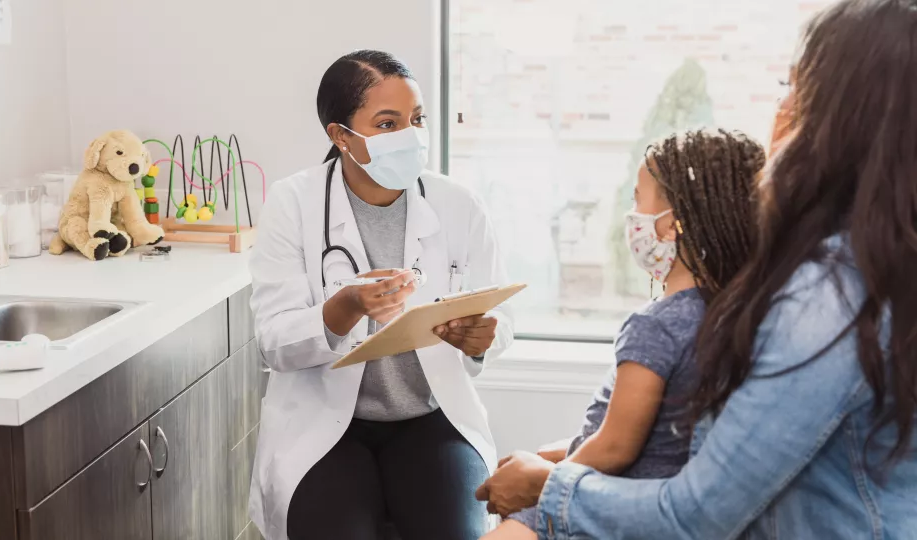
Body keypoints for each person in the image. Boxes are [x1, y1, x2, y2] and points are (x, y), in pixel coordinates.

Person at [477, 0, 917, 537]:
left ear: (837, 119)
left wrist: (547, 488)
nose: (778, 109)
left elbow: (696, 514)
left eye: (791, 87)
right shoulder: (861, 270)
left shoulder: (827, 302)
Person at [248, 50, 514, 540]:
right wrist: (342, 310)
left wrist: (481, 338)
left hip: (430, 418)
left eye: (417, 119)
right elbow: (273, 340)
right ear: (340, 136)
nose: (410, 136)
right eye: (387, 123)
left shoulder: (458, 204)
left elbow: (500, 316)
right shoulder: (293, 203)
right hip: (327, 427)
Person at [477, 129, 765, 534]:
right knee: (541, 453)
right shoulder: (733, 314)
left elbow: (616, 447)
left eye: (638, 200)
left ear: (671, 227)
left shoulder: (656, 325)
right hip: (644, 488)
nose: (632, 217)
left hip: (605, 501)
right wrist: (557, 455)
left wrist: (542, 483)